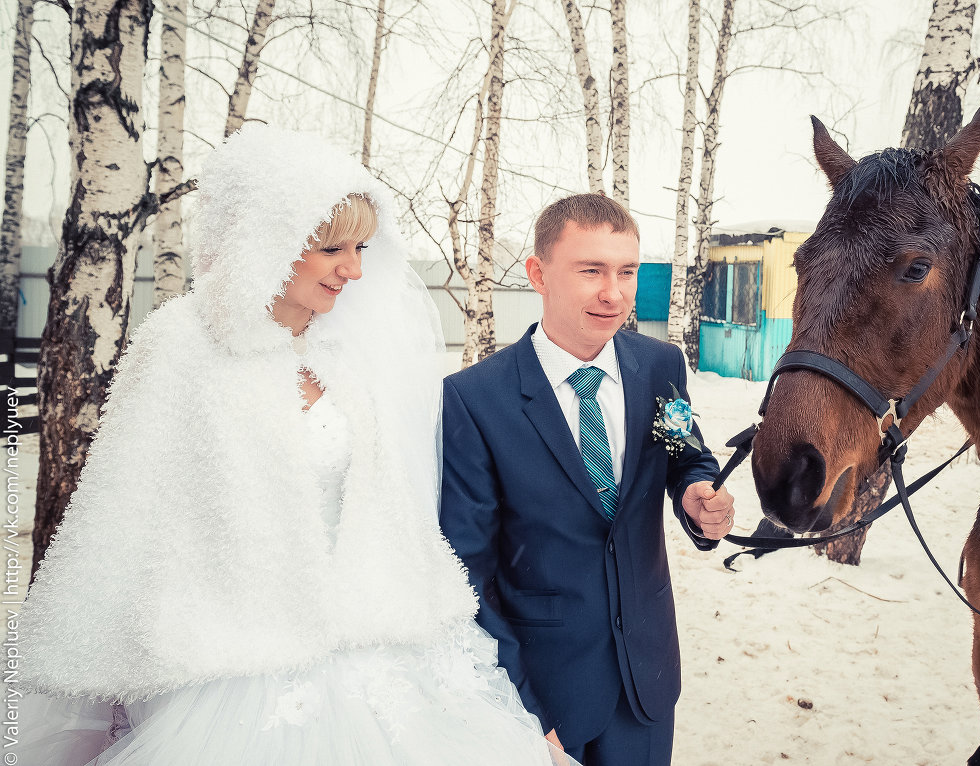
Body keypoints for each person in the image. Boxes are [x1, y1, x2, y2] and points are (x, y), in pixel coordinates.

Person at [16, 126, 575, 766]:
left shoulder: (346, 360)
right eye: (331, 246)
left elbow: (391, 515)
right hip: (232, 659)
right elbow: (123, 516)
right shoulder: (179, 349)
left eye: (361, 247)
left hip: (370, 644)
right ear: (266, 241)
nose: (354, 269)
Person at [439, 193, 737, 766]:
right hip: (542, 695)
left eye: (627, 271)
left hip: (645, 683)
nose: (615, 292)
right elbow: (465, 572)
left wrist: (698, 494)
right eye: (591, 270)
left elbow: (684, 451)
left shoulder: (659, 366)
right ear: (538, 274)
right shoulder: (474, 400)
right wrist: (520, 707)